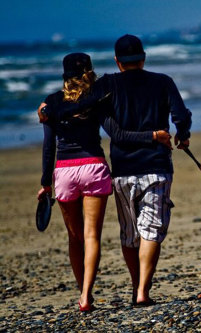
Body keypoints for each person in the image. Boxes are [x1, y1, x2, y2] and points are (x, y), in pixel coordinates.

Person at [39, 34, 192, 306]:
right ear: (143, 58)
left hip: (120, 169)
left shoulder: (108, 85)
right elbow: (181, 114)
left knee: (128, 233)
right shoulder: (163, 81)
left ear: (117, 62)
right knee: (150, 231)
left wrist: (50, 110)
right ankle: (142, 291)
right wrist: (182, 134)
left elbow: (80, 106)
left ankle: (126, 289)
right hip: (153, 166)